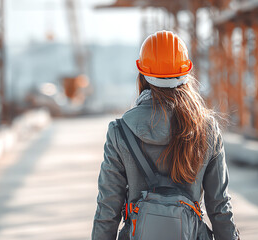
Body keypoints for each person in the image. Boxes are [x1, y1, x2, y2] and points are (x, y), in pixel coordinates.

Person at [91, 30, 239, 240]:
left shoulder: (120, 131)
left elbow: (108, 209)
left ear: (142, 72)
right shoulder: (207, 128)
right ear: (186, 70)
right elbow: (220, 206)